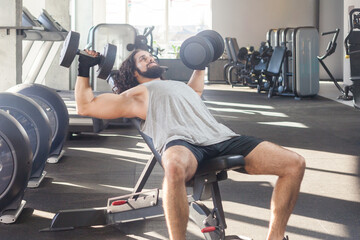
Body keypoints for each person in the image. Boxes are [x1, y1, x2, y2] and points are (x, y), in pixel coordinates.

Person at [75, 48, 306, 240]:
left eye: (150, 55)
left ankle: (275, 237)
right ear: (133, 73)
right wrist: (83, 68)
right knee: (174, 167)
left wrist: (201, 60)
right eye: (142, 59)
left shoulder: (180, 86)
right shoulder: (137, 94)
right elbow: (87, 106)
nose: (150, 58)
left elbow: (195, 89)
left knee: (294, 163)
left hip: (223, 138)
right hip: (183, 143)